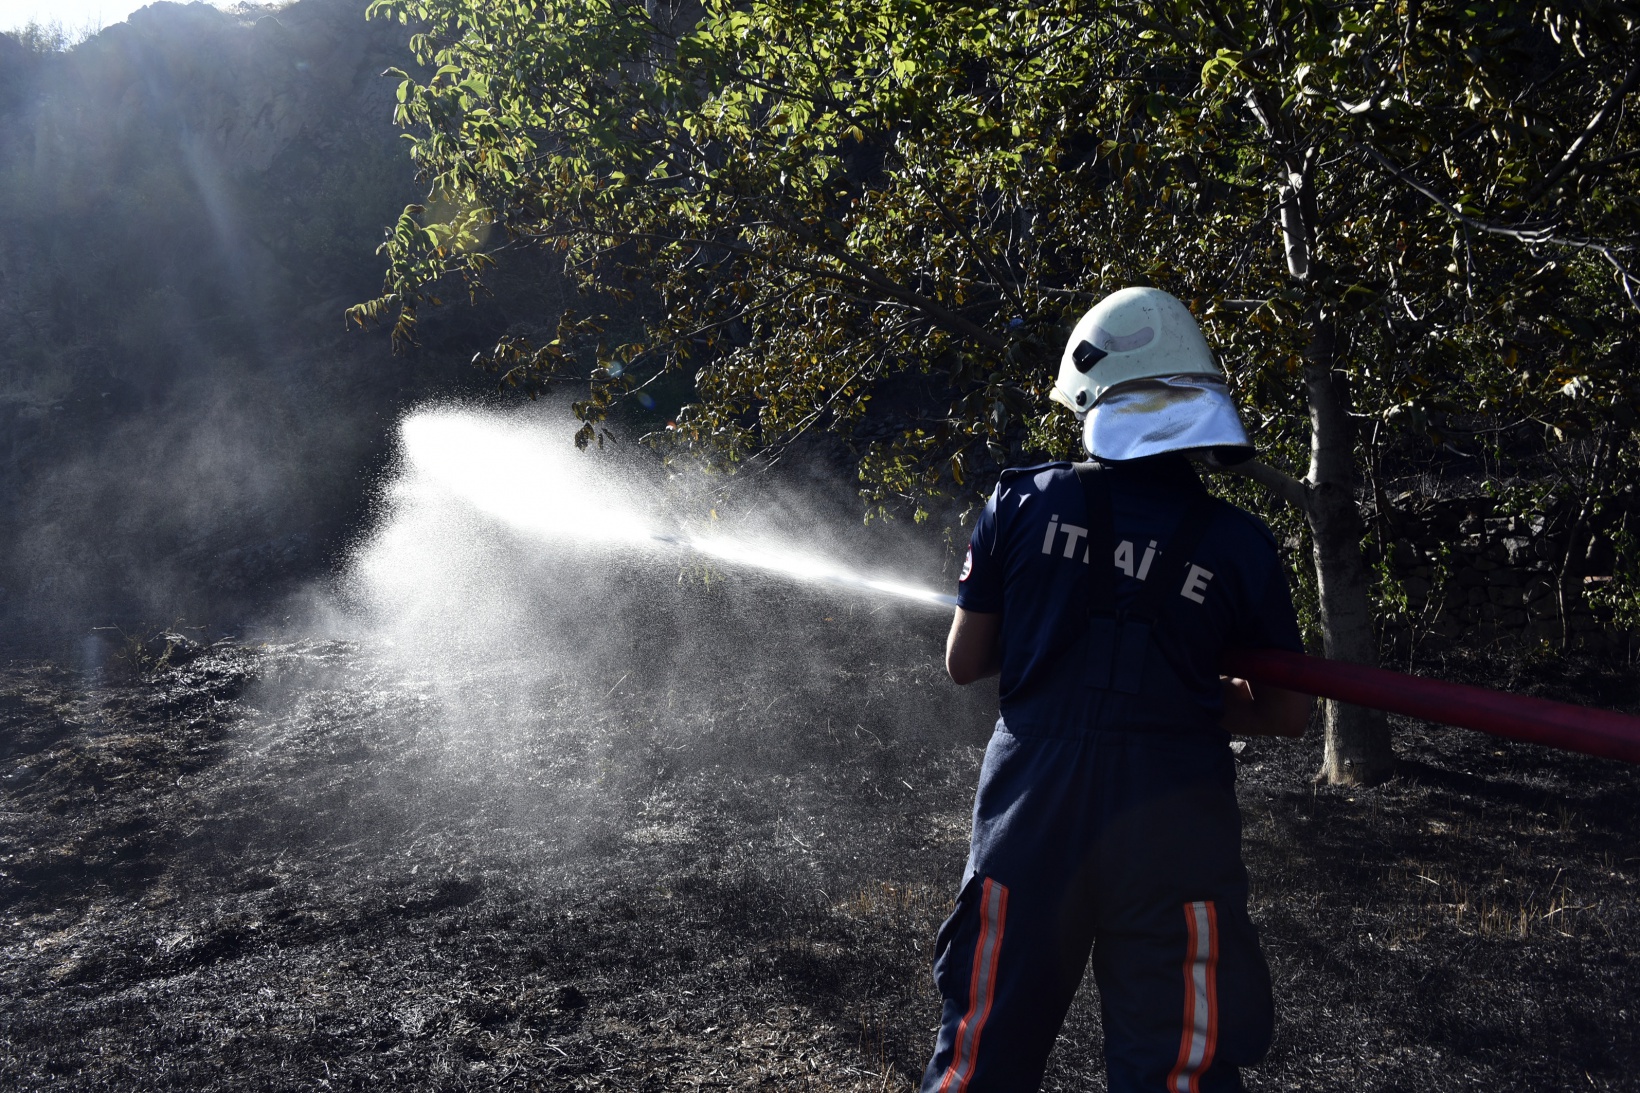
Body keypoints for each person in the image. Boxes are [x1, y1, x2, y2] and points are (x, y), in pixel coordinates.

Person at [922, 287, 1313, 1093]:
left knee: (979, 1054)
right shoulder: (1241, 545)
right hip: (1175, 821)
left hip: (1030, 814)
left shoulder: (1022, 501)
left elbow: (965, 660)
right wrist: (1192, 695)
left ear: (1099, 400)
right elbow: (1287, 710)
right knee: (1175, 1070)